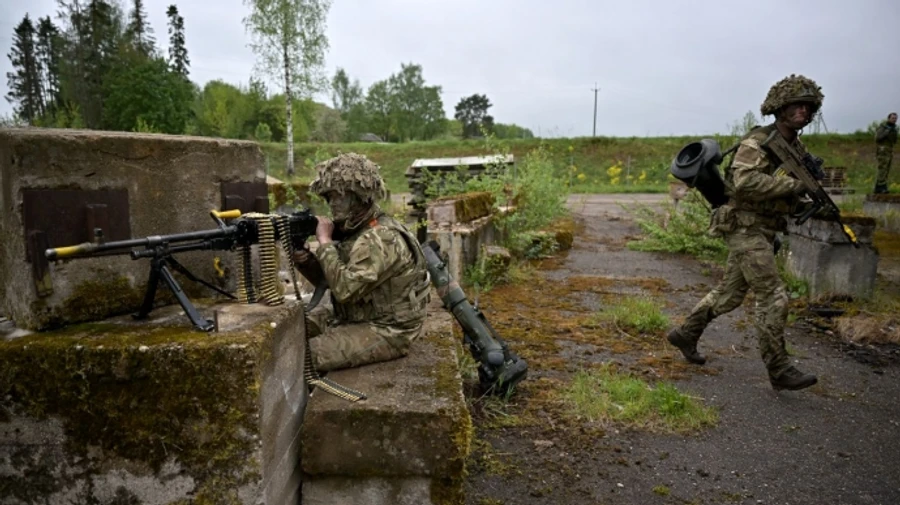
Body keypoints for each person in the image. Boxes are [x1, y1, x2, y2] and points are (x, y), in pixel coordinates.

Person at [666, 74, 822, 391]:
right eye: (795, 105)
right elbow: (745, 182)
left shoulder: (795, 147)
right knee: (773, 296)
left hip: (762, 229)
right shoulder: (758, 142)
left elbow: (782, 190)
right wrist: (795, 185)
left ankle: (685, 334)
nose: (801, 112)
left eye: (807, 107)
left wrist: (801, 198)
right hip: (743, 226)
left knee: (729, 294)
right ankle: (779, 369)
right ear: (780, 108)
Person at [292, 153, 431, 372]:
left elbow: (345, 290)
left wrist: (325, 242)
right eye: (329, 196)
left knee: (303, 355)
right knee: (288, 331)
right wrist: (306, 261)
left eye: (340, 195)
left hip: (388, 330)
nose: (333, 203)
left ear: (360, 197)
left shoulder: (380, 237)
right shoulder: (354, 229)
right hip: (355, 315)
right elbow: (331, 279)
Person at [874, 112, 898, 194]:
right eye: (893, 118)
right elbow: (877, 138)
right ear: (888, 118)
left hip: (889, 150)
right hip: (882, 150)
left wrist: (893, 131)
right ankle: (881, 186)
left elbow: (894, 141)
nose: (894, 120)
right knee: (882, 169)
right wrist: (887, 131)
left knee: (887, 169)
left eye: (895, 118)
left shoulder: (894, 129)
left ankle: (879, 187)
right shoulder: (883, 127)